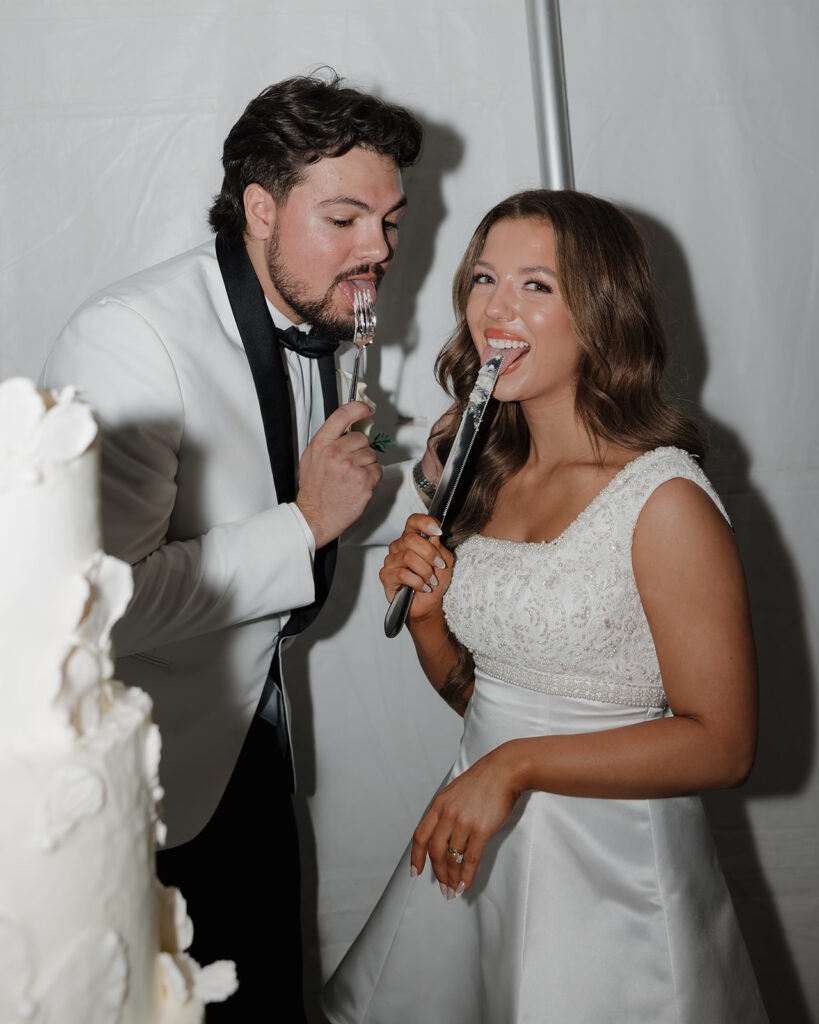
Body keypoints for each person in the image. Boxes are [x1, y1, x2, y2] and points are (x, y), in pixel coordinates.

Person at [323, 190, 769, 1023]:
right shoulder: (490, 480)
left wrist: (513, 766)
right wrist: (426, 622)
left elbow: (724, 744)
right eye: (484, 277)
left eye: (537, 285)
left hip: (609, 884)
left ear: (601, 312)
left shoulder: (662, 500)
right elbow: (485, 697)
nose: (496, 308)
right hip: (479, 852)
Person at [40, 73, 423, 1021]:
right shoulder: (132, 339)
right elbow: (94, 608)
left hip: (251, 741)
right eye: (344, 218)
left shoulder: (320, 318)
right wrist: (303, 523)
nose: (376, 250)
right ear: (259, 207)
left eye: (390, 221)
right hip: (144, 785)